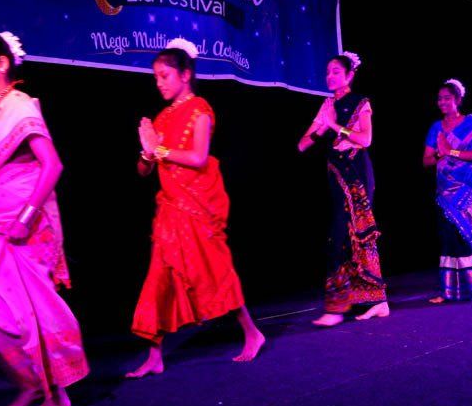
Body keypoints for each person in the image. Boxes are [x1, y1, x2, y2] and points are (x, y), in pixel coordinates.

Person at [0, 31, 88, 406]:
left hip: (24, 222)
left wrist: (26, 218)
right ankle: (29, 382)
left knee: (30, 308)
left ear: (1, 63)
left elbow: (53, 166)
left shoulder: (18, 106)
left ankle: (55, 395)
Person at [127, 38, 265, 378]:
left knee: (213, 272)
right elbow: (144, 171)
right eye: (155, 77)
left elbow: (198, 157)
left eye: (164, 76)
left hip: (198, 206)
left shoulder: (200, 108)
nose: (158, 82)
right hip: (170, 210)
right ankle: (154, 355)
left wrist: (158, 151)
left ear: (185, 75)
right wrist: (146, 154)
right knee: (158, 278)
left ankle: (252, 332)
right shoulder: (161, 117)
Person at [297, 52, 389, 326]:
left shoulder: (361, 102)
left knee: (350, 235)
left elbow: (366, 139)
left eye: (336, 71)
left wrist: (335, 125)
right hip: (336, 177)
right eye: (328, 71)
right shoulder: (326, 105)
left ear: (349, 75)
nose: (330, 76)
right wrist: (322, 129)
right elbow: (302, 144)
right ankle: (378, 301)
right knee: (345, 237)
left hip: (357, 176)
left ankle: (337, 308)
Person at [422, 79, 472, 302]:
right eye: (439, 98)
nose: (442, 102)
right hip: (445, 192)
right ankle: (450, 291)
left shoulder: (471, 123)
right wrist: (439, 153)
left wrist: (451, 151)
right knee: (449, 238)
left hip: (467, 190)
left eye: (447, 98)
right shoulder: (435, 127)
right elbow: (427, 160)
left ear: (458, 100)